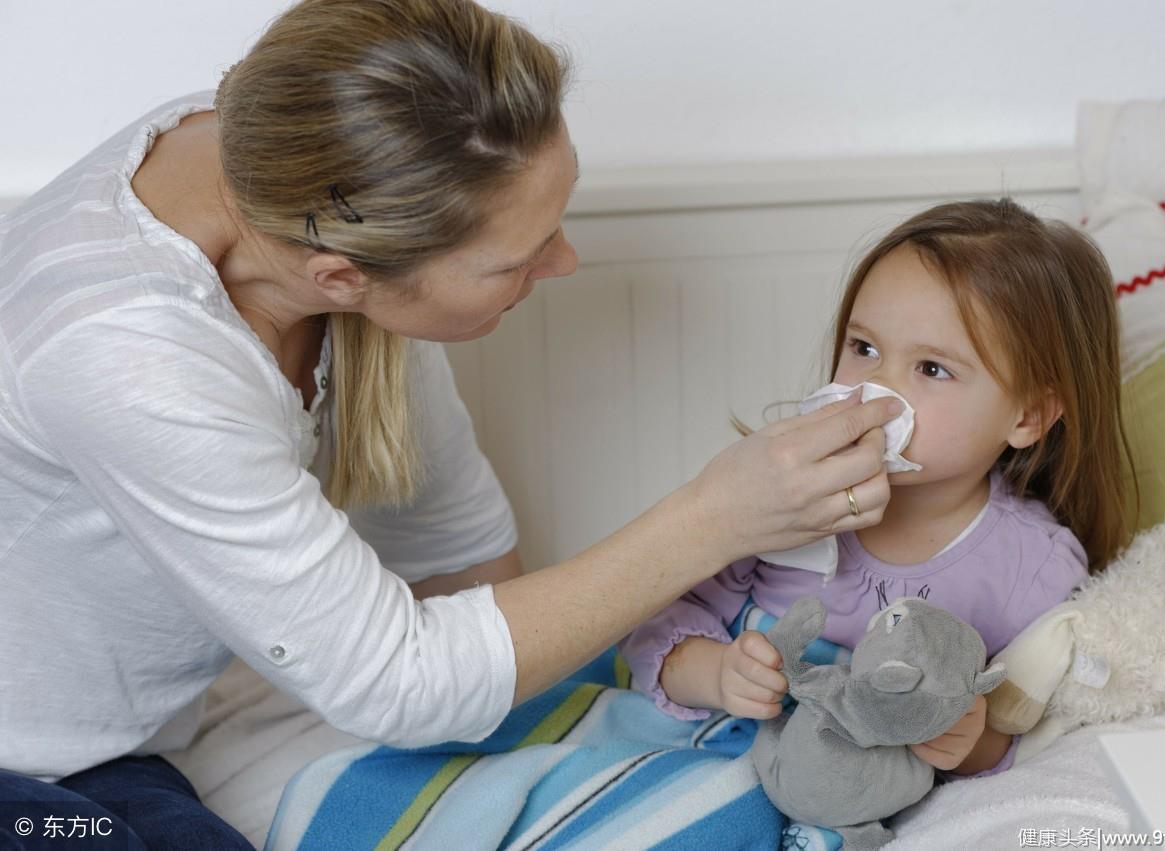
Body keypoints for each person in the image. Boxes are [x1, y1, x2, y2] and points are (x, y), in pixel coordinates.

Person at [0, 0, 901, 847]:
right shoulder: (125, 353)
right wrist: (716, 517)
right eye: (518, 257)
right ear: (340, 278)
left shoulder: (309, 165)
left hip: (125, 742)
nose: (566, 260)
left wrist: (558, 744)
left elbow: (450, 540)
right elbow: (401, 681)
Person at [622, 199, 1136, 777]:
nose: (874, 389)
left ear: (1028, 417)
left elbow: (1020, 731)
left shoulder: (1033, 568)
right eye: (864, 349)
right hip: (717, 755)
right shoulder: (780, 498)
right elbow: (653, 633)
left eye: (931, 369)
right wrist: (716, 674)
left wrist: (970, 739)